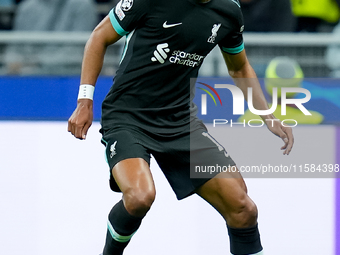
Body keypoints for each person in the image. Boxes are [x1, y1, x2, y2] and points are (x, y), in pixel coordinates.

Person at [68, 0, 294, 254]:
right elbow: (99, 36)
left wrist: (267, 114)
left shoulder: (229, 11)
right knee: (140, 197)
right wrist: (84, 100)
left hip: (180, 123)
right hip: (127, 117)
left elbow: (239, 67)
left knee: (243, 208)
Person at [4, 0, 97, 75]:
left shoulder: (83, 5)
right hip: (25, 74)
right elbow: (14, 48)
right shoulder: (26, 7)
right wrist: (12, 62)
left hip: (68, 76)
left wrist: (38, 62)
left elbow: (77, 51)